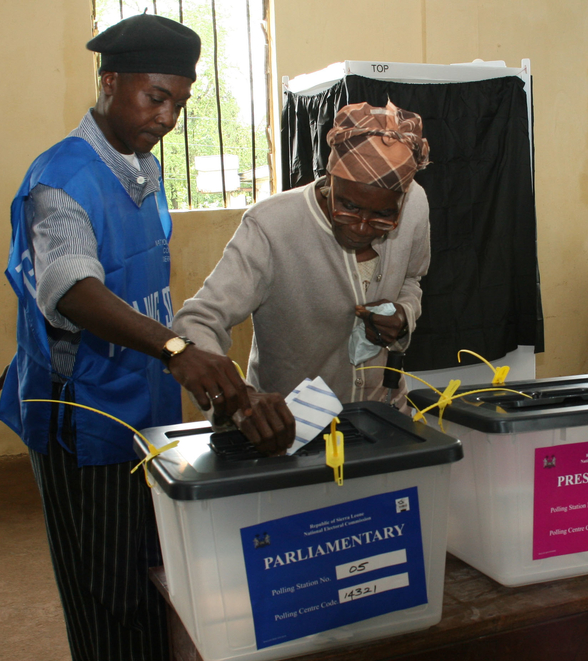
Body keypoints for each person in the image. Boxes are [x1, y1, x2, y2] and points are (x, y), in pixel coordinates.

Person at [0, 15, 279, 661]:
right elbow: (74, 289)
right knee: (107, 600)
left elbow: (141, 290)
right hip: (83, 423)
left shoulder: (142, 170)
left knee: (150, 581)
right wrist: (177, 348)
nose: (168, 117)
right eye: (156, 98)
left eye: (180, 102)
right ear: (109, 81)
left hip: (139, 414)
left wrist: (209, 369)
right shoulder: (62, 180)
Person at [173, 100, 432, 430]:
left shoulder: (415, 206)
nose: (364, 227)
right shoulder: (271, 226)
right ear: (330, 180)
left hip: (382, 414)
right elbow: (198, 321)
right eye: (348, 207)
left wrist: (404, 314)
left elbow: (412, 279)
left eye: (384, 216)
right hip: (289, 428)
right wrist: (241, 401)